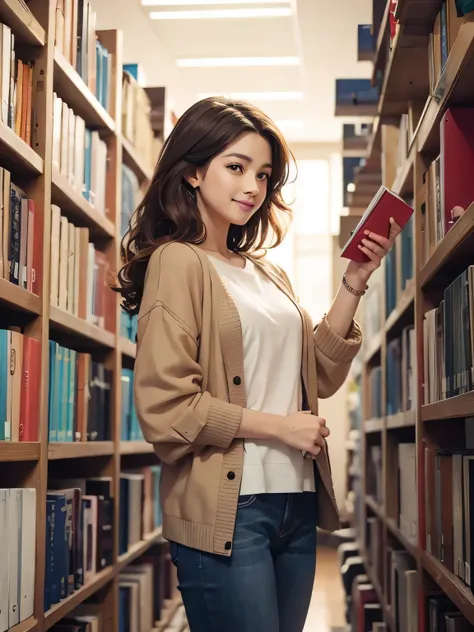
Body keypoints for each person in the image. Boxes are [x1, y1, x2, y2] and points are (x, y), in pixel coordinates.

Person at [115, 97, 400, 632]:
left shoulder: (267, 274)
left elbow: (315, 378)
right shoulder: (178, 261)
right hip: (232, 508)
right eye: (236, 167)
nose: (253, 186)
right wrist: (280, 428)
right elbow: (165, 407)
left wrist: (355, 283)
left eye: (264, 174)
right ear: (194, 172)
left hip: (294, 503)